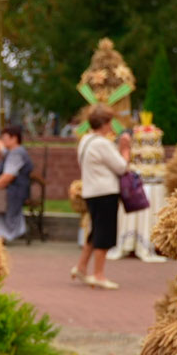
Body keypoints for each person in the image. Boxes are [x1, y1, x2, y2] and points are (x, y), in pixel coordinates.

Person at [71, 106, 130, 289]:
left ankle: (81, 267)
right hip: (105, 192)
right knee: (104, 233)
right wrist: (125, 149)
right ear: (104, 124)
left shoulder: (86, 140)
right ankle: (99, 274)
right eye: (110, 122)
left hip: (90, 191)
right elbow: (121, 167)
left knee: (94, 231)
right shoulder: (102, 143)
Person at [0, 125, 34, 242]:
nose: (3, 140)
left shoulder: (16, 153)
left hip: (13, 192)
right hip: (15, 190)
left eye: (5, 138)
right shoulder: (14, 152)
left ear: (14, 139)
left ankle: (3, 235)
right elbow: (2, 148)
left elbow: (8, 177)